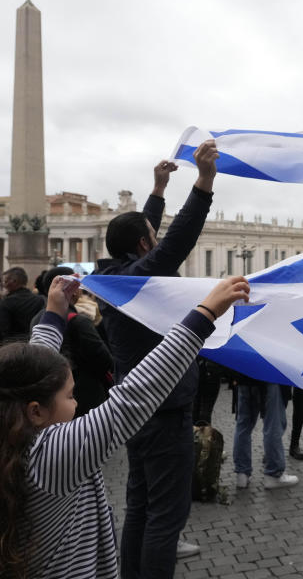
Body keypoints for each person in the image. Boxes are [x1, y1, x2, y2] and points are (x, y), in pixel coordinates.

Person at [0, 274, 249, 579]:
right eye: (69, 395)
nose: (76, 403)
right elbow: (135, 396)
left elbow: (33, 366)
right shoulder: (49, 457)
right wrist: (204, 315)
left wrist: (54, 311)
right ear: (36, 411)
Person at [94, 145, 219, 574]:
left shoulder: (116, 280)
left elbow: (145, 241)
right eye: (151, 235)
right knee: (166, 515)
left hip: (135, 407)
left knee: (141, 504)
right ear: (145, 243)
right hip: (164, 411)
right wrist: (203, 182)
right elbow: (174, 243)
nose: (156, 239)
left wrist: (159, 190)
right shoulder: (137, 280)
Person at [28, 267, 114, 416]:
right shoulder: (79, 321)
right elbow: (103, 358)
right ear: (71, 289)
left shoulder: (37, 318)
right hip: (85, 391)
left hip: (53, 392)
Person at [232, 377, 299, 489]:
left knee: (243, 426)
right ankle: (274, 474)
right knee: (273, 425)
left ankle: (242, 474)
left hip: (245, 376)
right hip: (270, 377)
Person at [0, 266, 46, 341]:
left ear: (14, 281)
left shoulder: (7, 302)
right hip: (34, 342)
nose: (4, 285)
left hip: (13, 344)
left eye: (6, 281)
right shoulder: (40, 299)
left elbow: (3, 329)